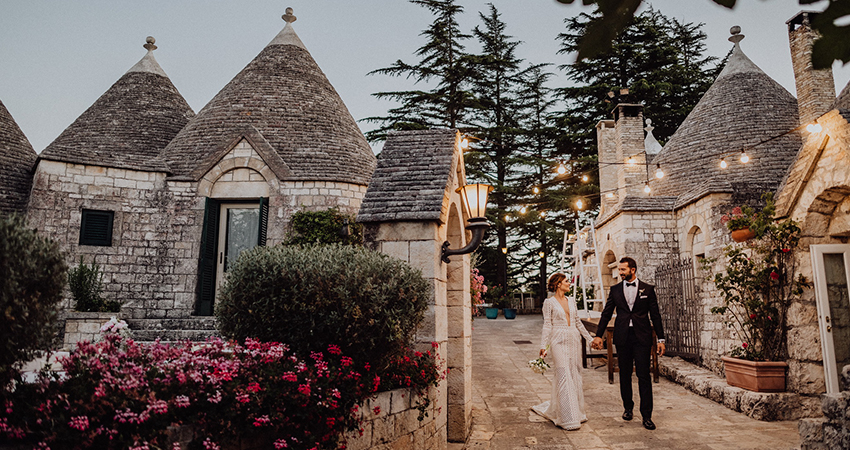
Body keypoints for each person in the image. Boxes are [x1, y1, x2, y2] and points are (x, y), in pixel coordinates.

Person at [591, 257, 666, 430]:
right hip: (623, 337)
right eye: (619, 269)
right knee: (624, 374)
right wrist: (598, 335)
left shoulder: (648, 289)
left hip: (642, 337)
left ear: (632, 270)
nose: (620, 272)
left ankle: (647, 416)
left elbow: (655, 315)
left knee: (643, 375)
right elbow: (606, 313)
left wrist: (660, 339)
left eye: (623, 269)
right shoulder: (616, 290)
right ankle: (628, 408)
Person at [532, 272, 594, 430]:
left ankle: (576, 413)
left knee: (574, 374)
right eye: (567, 281)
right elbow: (547, 325)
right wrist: (543, 346)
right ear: (558, 284)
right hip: (558, 340)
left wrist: (590, 340)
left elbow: (579, 323)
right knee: (563, 374)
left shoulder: (572, 301)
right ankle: (567, 418)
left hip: (573, 339)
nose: (569, 283)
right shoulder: (549, 302)